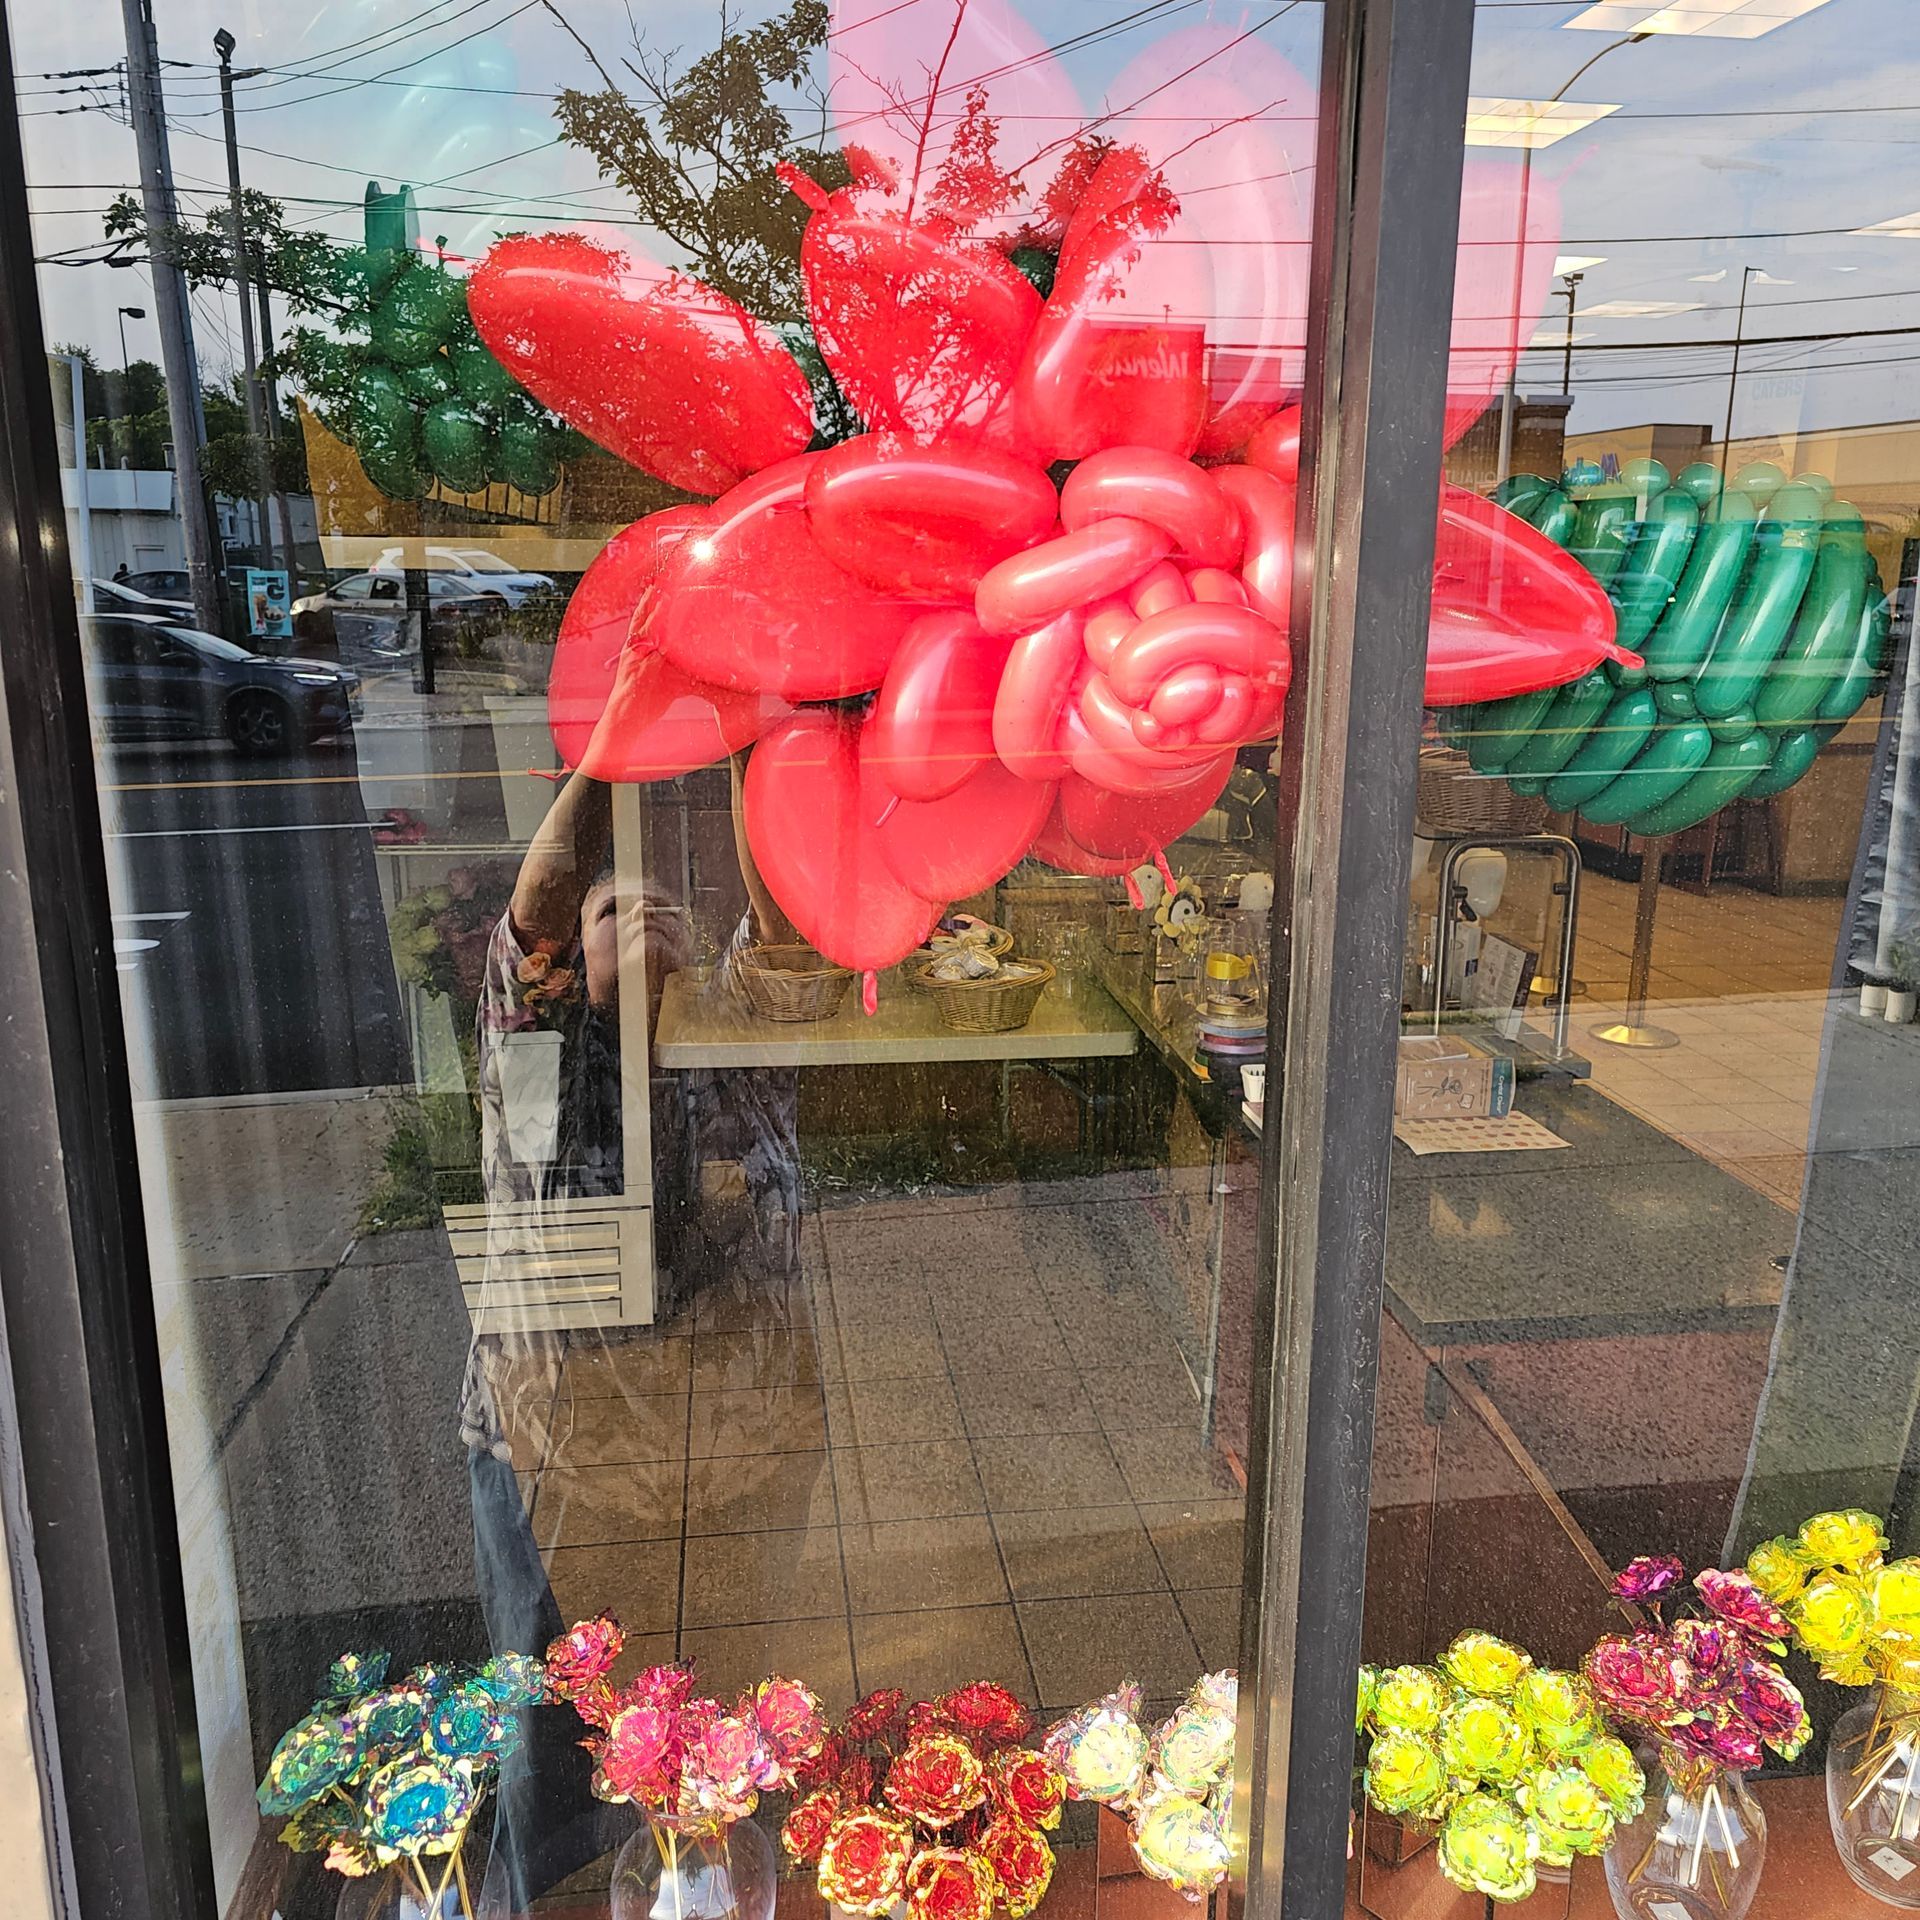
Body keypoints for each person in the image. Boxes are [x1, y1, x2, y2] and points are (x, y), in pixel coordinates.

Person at [460, 750, 801, 1905]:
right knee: (544, 1739)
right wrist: (617, 752)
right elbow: (534, 929)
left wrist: (766, 750)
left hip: (722, 1450)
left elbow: (792, 938)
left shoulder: (726, 1058)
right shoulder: (541, 1063)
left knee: (727, 1730)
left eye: (661, 909)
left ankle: (704, 1885)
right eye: (614, 905)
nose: (640, 914)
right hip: (554, 1451)